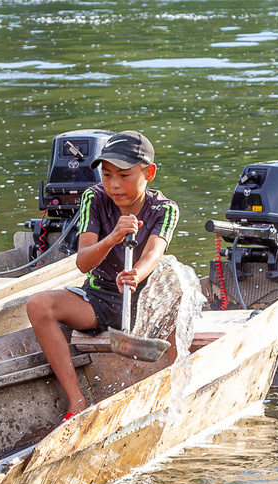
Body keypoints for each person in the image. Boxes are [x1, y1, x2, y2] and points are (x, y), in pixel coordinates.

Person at [25, 130, 179, 421]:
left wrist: (135, 275)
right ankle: (76, 400)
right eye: (107, 175)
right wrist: (112, 238)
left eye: (124, 175)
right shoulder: (94, 197)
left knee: (179, 302)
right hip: (100, 299)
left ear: (150, 172)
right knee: (38, 305)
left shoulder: (165, 209)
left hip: (144, 302)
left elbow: (153, 254)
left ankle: (170, 396)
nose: (114, 185)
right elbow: (84, 262)